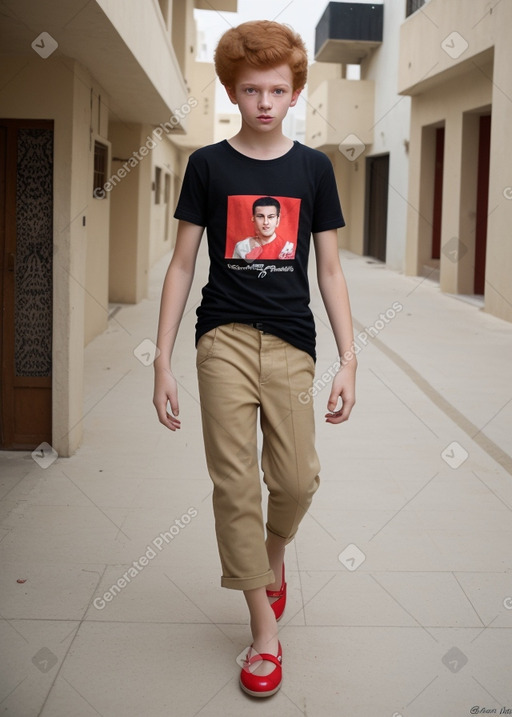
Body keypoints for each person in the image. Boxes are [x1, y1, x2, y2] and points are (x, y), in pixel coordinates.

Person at [153, 19, 356, 698]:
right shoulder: (208, 165)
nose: (264, 100)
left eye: (276, 88)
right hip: (223, 342)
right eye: (250, 88)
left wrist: (349, 358)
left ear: (294, 90)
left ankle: (270, 562)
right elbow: (183, 265)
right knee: (235, 486)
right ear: (233, 91)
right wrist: (162, 359)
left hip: (292, 342)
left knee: (296, 481)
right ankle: (263, 631)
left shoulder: (313, 169)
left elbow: (329, 270)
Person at [232, 196, 296, 260]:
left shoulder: (288, 249)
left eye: (271, 217)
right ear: (253, 218)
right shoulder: (242, 247)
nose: (265, 222)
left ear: (278, 220)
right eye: (260, 216)